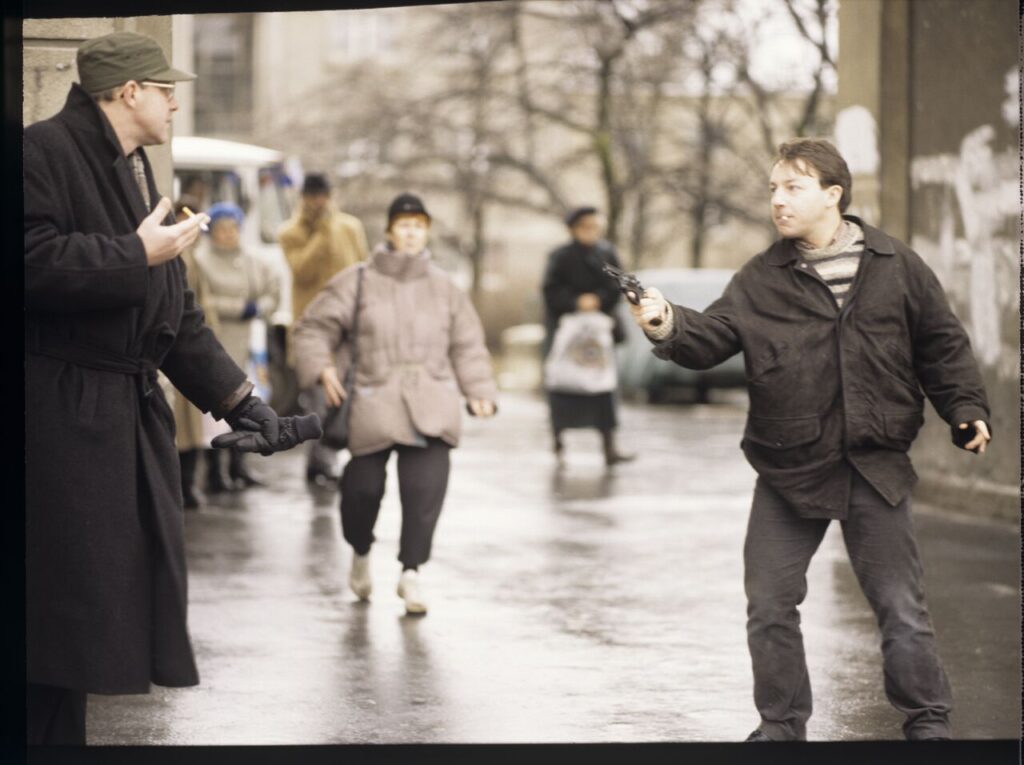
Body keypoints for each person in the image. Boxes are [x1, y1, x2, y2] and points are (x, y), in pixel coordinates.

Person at [628, 137, 991, 742]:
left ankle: (928, 723)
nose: (778, 200)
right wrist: (666, 321)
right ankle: (781, 726)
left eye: (792, 187)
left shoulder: (897, 266)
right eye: (773, 188)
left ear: (833, 194)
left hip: (874, 464)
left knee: (901, 608)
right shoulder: (761, 278)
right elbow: (712, 337)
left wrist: (965, 408)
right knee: (769, 605)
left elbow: (941, 344)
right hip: (788, 467)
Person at [24, 32, 317, 745]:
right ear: (128, 92)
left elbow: (174, 312)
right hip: (61, 417)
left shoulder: (137, 168)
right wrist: (134, 253)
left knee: (85, 620)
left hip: (119, 417)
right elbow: (28, 259)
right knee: (55, 621)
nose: (175, 101)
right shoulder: (38, 152)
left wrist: (245, 404)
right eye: (164, 89)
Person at [292, 193, 497, 615]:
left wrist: (480, 391)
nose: (410, 232)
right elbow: (313, 327)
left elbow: (468, 345)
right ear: (389, 231)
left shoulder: (445, 287)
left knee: (424, 492)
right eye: (403, 224)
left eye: (418, 225)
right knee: (361, 491)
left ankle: (411, 573)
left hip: (431, 400)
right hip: (372, 400)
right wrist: (322, 369)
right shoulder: (358, 280)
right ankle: (361, 551)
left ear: (427, 233)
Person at [279, 173, 369, 485]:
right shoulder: (291, 232)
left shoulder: (350, 227)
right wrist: (321, 232)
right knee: (318, 399)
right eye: (313, 196)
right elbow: (300, 270)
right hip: (311, 331)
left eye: (323, 195)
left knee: (344, 401)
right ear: (303, 198)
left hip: (347, 329)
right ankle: (321, 462)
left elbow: (363, 270)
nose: (319, 202)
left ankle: (322, 461)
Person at [193, 201, 283, 492]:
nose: (229, 234)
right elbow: (199, 301)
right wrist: (238, 308)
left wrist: (260, 308)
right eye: (222, 229)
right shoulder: (201, 260)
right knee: (215, 413)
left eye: (234, 228)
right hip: (218, 341)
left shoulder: (251, 260)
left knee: (246, 405)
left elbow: (273, 289)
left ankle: (239, 465)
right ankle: (215, 472)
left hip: (247, 344)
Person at [542, 206, 634, 467]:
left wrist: (599, 300)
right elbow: (550, 292)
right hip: (567, 334)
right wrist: (575, 302)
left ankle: (609, 446)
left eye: (595, 227)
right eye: (586, 227)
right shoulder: (560, 257)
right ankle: (559, 443)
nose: (591, 232)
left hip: (600, 334)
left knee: (604, 389)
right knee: (562, 386)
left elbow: (620, 285)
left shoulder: (606, 253)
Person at [170, 196, 218, 509]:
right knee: (180, 429)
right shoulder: (177, 251)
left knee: (190, 429)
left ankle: (186, 486)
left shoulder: (190, 254)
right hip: (175, 347)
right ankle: (181, 488)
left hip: (188, 345)